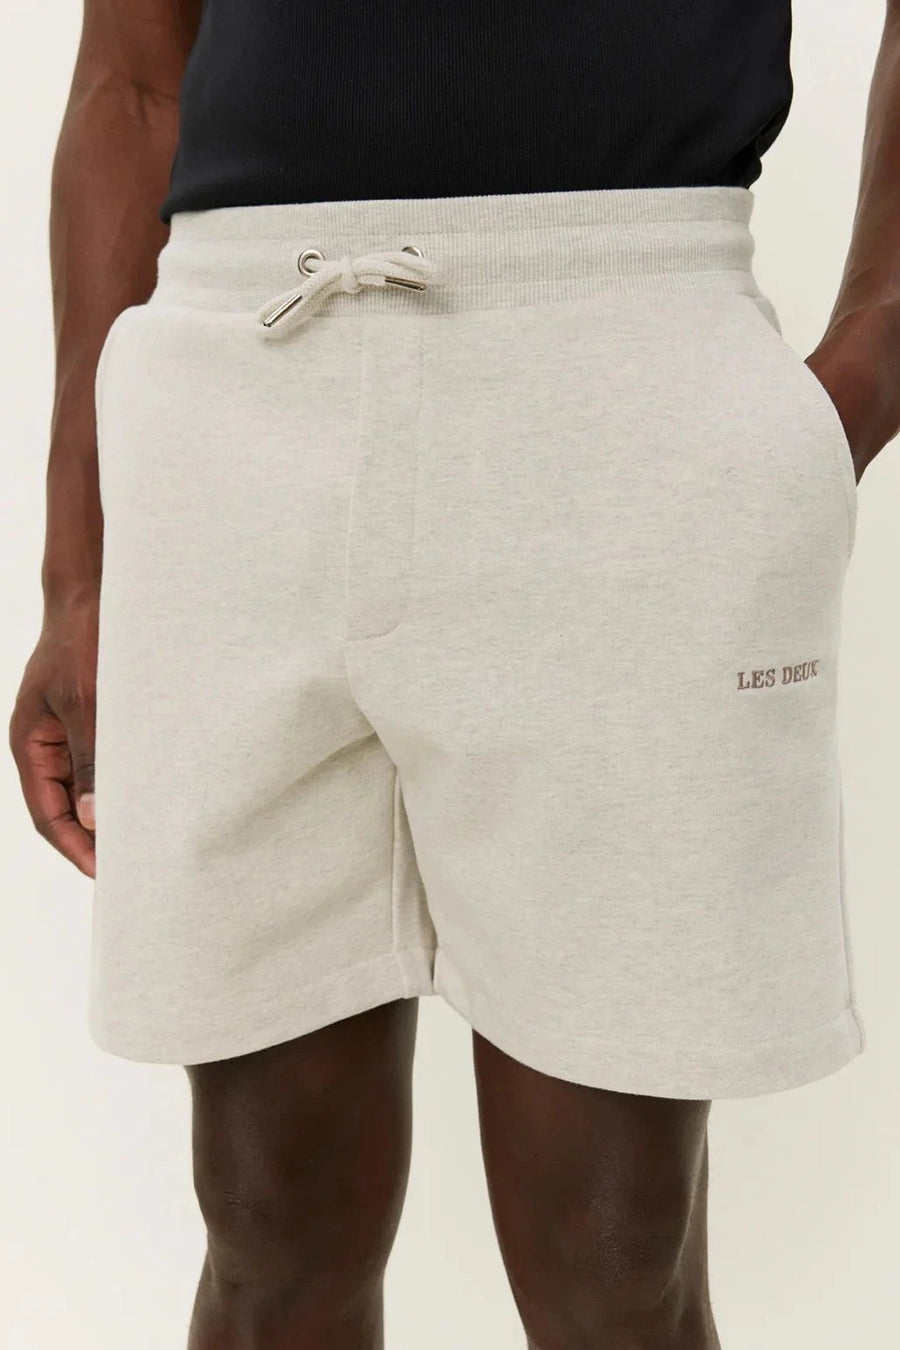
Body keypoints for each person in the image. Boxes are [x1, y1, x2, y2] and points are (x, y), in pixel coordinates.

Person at [9, 3, 898, 1346]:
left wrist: (873, 347)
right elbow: (132, 82)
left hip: (629, 369)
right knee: (265, 1214)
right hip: (234, 389)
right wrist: (77, 568)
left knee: (614, 1253)